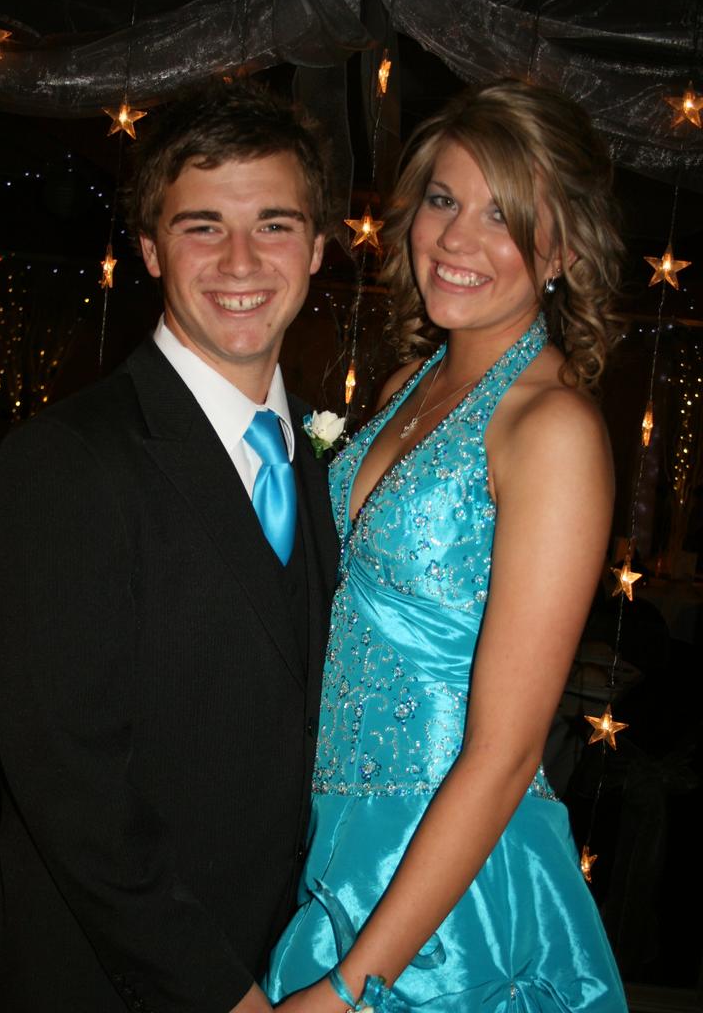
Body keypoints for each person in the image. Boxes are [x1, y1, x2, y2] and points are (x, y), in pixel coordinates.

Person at [0, 80, 339, 1013]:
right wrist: (224, 995)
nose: (241, 259)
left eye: (275, 225)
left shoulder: (334, 458)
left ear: (319, 248)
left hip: (294, 962)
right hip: (109, 981)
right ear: (148, 248)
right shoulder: (67, 461)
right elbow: (70, 784)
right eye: (202, 225)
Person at [265, 79, 628, 1011]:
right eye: (443, 199)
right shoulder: (404, 383)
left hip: (452, 885)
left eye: (504, 216)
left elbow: (505, 751)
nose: (458, 240)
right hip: (337, 841)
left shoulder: (552, 429)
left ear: (560, 249)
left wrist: (352, 986)